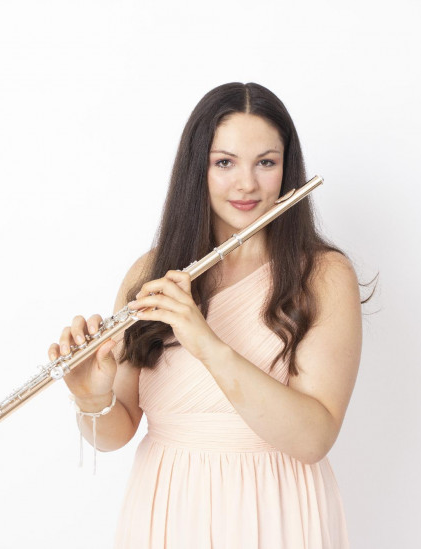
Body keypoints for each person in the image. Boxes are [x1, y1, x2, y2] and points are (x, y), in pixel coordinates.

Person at [48, 82, 369, 548]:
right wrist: (91, 399)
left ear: (287, 169)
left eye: (266, 162)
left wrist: (208, 345)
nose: (247, 183)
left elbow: (313, 440)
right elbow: (115, 433)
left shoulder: (323, 275)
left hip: (276, 510)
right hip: (168, 508)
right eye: (225, 163)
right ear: (197, 167)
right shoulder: (150, 273)